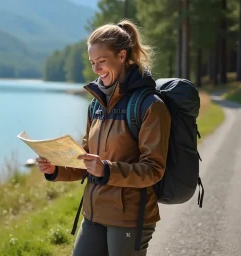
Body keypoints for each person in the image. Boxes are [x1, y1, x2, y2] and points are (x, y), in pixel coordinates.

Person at [36, 19, 171, 256]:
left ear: (121, 56)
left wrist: (107, 169)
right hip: (94, 213)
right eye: (92, 63)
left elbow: (153, 170)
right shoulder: (96, 105)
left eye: (101, 61)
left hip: (129, 216)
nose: (96, 69)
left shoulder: (150, 106)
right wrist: (54, 169)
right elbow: (86, 162)